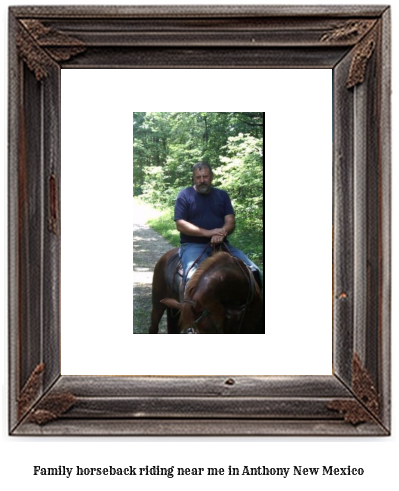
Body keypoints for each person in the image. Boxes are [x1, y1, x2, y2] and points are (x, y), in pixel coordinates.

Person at [174, 161, 262, 289]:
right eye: (198, 177)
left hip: (222, 245)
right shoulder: (185, 195)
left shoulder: (222, 195)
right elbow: (180, 224)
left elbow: (230, 221)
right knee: (192, 278)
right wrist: (209, 233)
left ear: (212, 176)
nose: (202, 180)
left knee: (254, 271)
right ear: (193, 178)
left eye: (205, 176)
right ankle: (191, 308)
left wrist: (222, 232)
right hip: (193, 245)